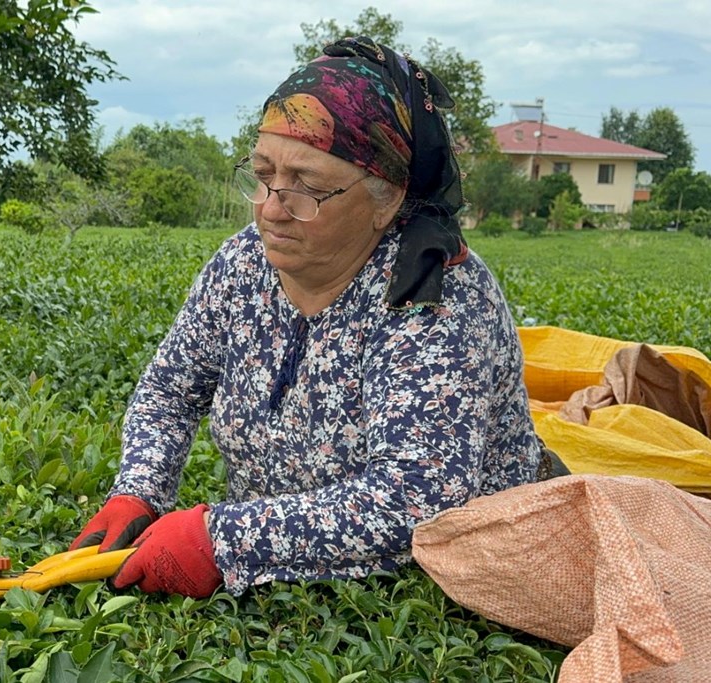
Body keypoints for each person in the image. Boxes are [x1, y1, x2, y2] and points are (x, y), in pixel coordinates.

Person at [69, 36, 543, 598]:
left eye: (308, 188)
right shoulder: (243, 263)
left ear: (386, 199)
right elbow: (170, 392)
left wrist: (220, 540)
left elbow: (417, 497)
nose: (271, 208)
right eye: (262, 174)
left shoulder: (431, 292)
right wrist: (140, 489)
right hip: (274, 578)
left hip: (431, 583)